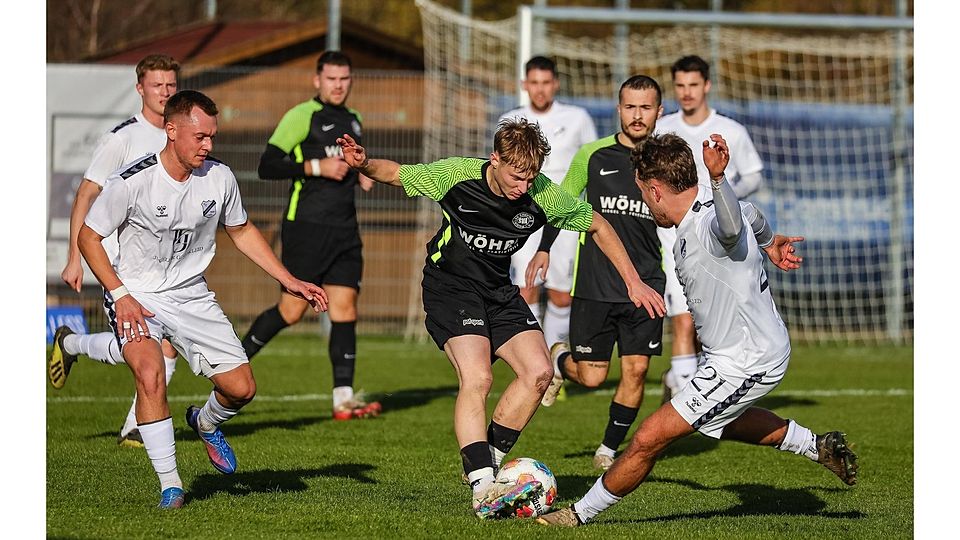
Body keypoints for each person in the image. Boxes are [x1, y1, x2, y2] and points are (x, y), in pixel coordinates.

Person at [335, 118, 665, 518]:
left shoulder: (541, 194)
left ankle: (484, 458)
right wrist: (365, 162)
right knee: (478, 378)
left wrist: (632, 282)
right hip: (450, 288)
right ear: (494, 159)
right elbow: (398, 175)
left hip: (498, 291)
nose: (523, 186)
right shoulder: (456, 175)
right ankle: (482, 487)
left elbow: (597, 224)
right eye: (516, 176)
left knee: (539, 373)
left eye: (531, 177)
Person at [536, 133, 858, 528]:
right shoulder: (701, 211)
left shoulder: (709, 222)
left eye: (641, 191)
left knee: (648, 438)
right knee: (719, 421)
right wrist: (770, 241)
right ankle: (817, 447)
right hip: (731, 354)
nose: (642, 200)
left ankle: (576, 515)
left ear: (654, 189)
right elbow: (750, 215)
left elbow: (730, 224)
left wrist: (721, 180)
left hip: (748, 360)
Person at [73, 90, 328, 509]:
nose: (208, 146)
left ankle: (206, 423)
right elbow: (89, 236)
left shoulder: (219, 177)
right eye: (201, 137)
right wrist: (120, 296)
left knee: (241, 388)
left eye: (213, 137)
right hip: (135, 292)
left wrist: (289, 279)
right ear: (171, 131)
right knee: (150, 372)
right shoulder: (131, 180)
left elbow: (241, 230)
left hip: (191, 295)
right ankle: (171, 486)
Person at [49, 54, 183, 448]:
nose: (165, 92)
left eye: (171, 85)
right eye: (157, 85)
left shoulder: (181, 134)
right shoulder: (121, 138)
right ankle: (70, 343)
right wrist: (75, 255)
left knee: (168, 343)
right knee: (140, 346)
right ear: (140, 88)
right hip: (122, 262)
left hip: (167, 264)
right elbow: (86, 193)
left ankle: (135, 425)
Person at [239, 50, 379, 421]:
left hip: (345, 229)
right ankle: (231, 364)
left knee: (346, 308)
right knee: (292, 310)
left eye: (345, 78)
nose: (339, 85)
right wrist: (316, 165)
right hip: (305, 228)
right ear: (317, 80)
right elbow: (267, 165)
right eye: (332, 78)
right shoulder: (302, 116)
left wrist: (363, 170)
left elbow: (356, 164)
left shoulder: (354, 119)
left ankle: (343, 399)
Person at [536, 75, 666, 472]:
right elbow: (561, 201)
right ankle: (560, 361)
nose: (637, 115)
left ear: (659, 112)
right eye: (630, 106)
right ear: (619, 108)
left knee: (637, 369)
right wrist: (543, 248)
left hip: (646, 282)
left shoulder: (667, 159)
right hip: (594, 282)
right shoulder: (593, 155)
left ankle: (609, 449)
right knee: (592, 378)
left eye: (646, 107)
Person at [654, 55, 765, 401]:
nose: (686, 93)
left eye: (693, 85)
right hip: (673, 237)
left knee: (713, 325)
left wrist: (724, 196)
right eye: (680, 86)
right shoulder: (664, 128)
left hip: (720, 241)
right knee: (684, 318)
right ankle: (686, 400)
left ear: (707, 86)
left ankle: (685, 382)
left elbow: (753, 175)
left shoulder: (731, 130)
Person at [499, 55, 597, 350]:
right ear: (524, 85)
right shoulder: (509, 120)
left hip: (563, 213)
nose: (540, 90)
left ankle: (554, 367)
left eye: (545, 83)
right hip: (522, 211)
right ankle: (533, 362)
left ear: (555, 84)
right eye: (534, 83)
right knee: (526, 288)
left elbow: (591, 164)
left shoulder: (578, 118)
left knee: (561, 294)